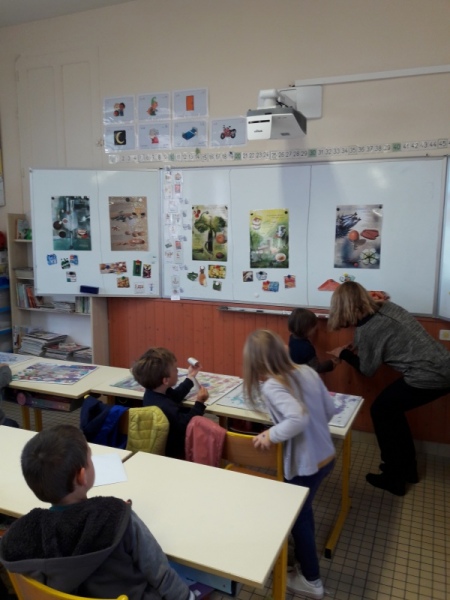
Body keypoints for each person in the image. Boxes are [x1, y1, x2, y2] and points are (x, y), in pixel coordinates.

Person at [0, 425, 195, 600]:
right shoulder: (119, 518)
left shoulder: (24, 541)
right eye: (90, 459)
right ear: (82, 476)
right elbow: (160, 573)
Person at [328, 281, 450, 496]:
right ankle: (408, 471)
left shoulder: (368, 330)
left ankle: (394, 478)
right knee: (392, 413)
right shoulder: (387, 307)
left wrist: (343, 354)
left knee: (381, 411)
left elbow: (367, 370)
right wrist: (357, 347)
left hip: (428, 376)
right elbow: (385, 339)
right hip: (443, 366)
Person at [242, 330, 336, 600]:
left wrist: (270, 435)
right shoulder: (307, 371)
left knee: (297, 518)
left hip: (305, 465)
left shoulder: (272, 386)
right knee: (303, 511)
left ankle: (312, 581)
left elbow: (297, 419)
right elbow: (330, 410)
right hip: (326, 456)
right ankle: (306, 568)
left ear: (256, 364)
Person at [132, 347, 209, 459]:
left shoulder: (153, 392)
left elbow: (175, 396)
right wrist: (199, 403)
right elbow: (187, 424)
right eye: (175, 369)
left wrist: (190, 377)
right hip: (175, 452)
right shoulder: (165, 407)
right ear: (165, 380)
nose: (177, 371)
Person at [288, 308, 338, 373]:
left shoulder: (292, 338)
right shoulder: (307, 348)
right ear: (305, 329)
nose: (315, 328)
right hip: (304, 376)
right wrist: (331, 363)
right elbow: (316, 368)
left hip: (294, 374)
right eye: (313, 327)